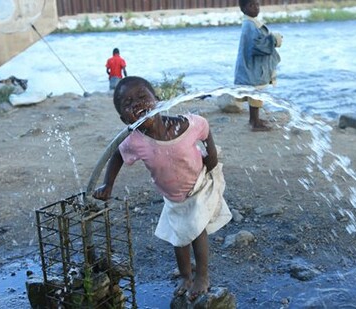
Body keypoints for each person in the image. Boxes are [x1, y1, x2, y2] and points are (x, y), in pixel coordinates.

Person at [92, 76, 232, 301]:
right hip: (173, 196)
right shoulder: (135, 141)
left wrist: (212, 156)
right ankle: (186, 276)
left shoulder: (183, 125)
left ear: (157, 100)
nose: (137, 104)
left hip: (198, 186)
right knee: (179, 237)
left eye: (142, 97)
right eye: (128, 104)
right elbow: (117, 154)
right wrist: (108, 184)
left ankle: (202, 276)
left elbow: (204, 127)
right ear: (123, 118)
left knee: (196, 230)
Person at [234, 0, 282, 131]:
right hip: (253, 67)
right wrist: (275, 39)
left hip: (251, 67)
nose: (255, 8)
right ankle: (254, 122)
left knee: (255, 94)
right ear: (243, 9)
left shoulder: (251, 23)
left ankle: (254, 119)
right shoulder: (250, 25)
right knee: (256, 94)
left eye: (257, 4)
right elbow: (258, 46)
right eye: (251, 5)